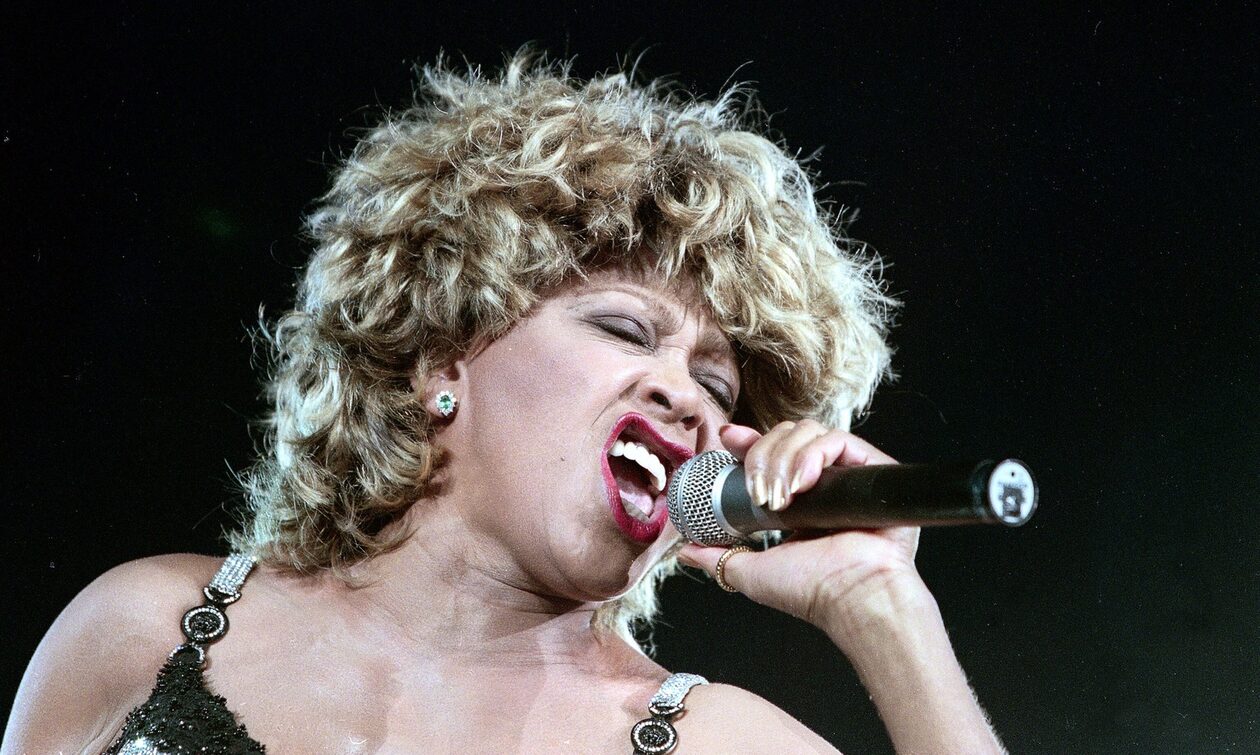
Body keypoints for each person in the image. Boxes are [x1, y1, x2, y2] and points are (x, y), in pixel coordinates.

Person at [4, 49, 1006, 753]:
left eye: (717, 385)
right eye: (626, 330)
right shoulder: (154, 629)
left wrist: (883, 606)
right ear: (445, 356)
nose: (683, 394)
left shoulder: (710, 740)